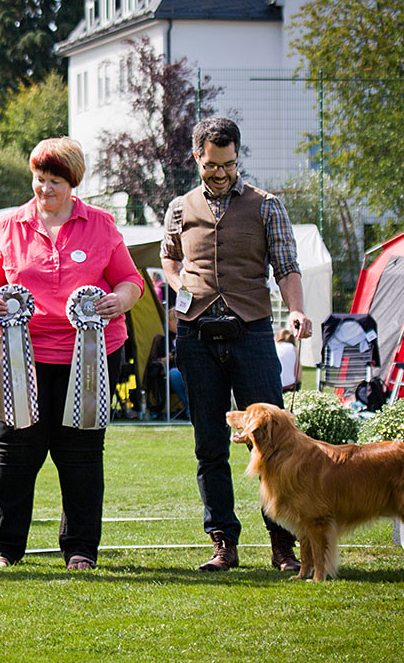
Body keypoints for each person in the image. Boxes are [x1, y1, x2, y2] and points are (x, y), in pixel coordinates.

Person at [0, 137, 144, 570]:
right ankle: (3, 549)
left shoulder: (101, 225)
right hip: (18, 356)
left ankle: (80, 548)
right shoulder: (8, 227)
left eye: (54, 181)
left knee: (81, 454)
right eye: (39, 179)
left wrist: (119, 301)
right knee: (13, 450)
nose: (44, 189)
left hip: (92, 356)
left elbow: (131, 281)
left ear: (73, 183)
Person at [160, 117, 312, 573]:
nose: (220, 173)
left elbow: (286, 265)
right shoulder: (179, 208)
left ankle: (283, 545)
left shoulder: (267, 206)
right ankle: (223, 542)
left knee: (273, 445)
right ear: (196, 159)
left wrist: (297, 309)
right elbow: (169, 255)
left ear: (237, 157)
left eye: (228, 164)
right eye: (211, 165)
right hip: (196, 336)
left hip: (253, 335)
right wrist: (178, 285)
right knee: (210, 445)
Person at [275, 328, 302, 392]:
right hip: (289, 386)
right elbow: (298, 375)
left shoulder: (274, 346)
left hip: (274, 385)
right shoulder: (294, 348)